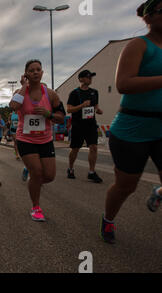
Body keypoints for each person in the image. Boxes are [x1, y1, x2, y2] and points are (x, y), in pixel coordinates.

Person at [101, 0, 162, 244]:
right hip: (132, 129)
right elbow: (124, 84)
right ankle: (108, 218)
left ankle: (158, 191)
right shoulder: (139, 45)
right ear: (147, 18)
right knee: (127, 186)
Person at [9, 60, 65, 222]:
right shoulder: (20, 93)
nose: (35, 72)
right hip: (25, 139)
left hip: (45, 139)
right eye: (31, 70)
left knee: (49, 176)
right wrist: (24, 86)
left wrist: (49, 115)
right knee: (37, 173)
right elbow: (13, 106)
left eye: (38, 70)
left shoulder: (51, 94)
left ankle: (31, 176)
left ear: (42, 73)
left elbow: (61, 118)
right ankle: (36, 207)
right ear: (25, 74)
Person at [66, 70, 104, 183]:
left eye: (91, 77)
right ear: (81, 79)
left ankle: (91, 172)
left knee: (94, 147)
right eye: (88, 77)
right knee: (75, 149)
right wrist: (82, 105)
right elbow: (69, 109)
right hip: (78, 125)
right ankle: (70, 168)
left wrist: (98, 110)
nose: (90, 79)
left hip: (91, 124)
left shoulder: (94, 92)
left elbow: (96, 106)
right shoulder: (74, 93)